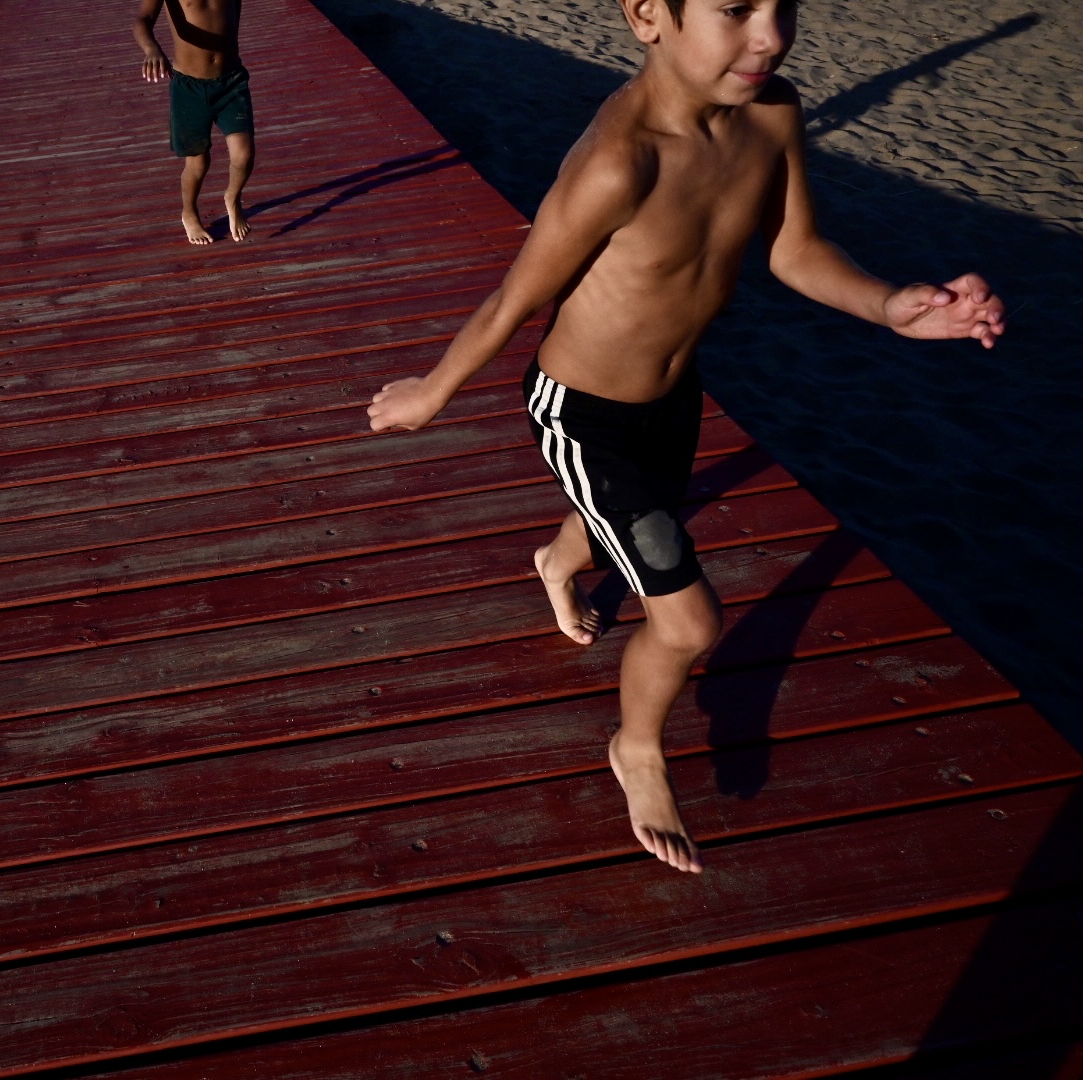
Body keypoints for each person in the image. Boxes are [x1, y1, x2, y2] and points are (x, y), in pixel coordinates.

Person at [365, 0, 1004, 874]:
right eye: (736, 10)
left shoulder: (771, 113)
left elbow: (795, 249)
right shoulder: (616, 164)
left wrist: (893, 308)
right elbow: (515, 299)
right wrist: (432, 393)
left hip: (673, 399)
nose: (770, 36)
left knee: (622, 524)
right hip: (581, 413)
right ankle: (637, 748)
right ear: (647, 15)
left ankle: (559, 560)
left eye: (785, 8)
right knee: (689, 620)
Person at [133, 0, 255, 244]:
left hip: (231, 80)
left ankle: (232, 196)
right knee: (198, 163)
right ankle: (189, 211)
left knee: (244, 154)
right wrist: (151, 49)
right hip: (189, 86)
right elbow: (142, 20)